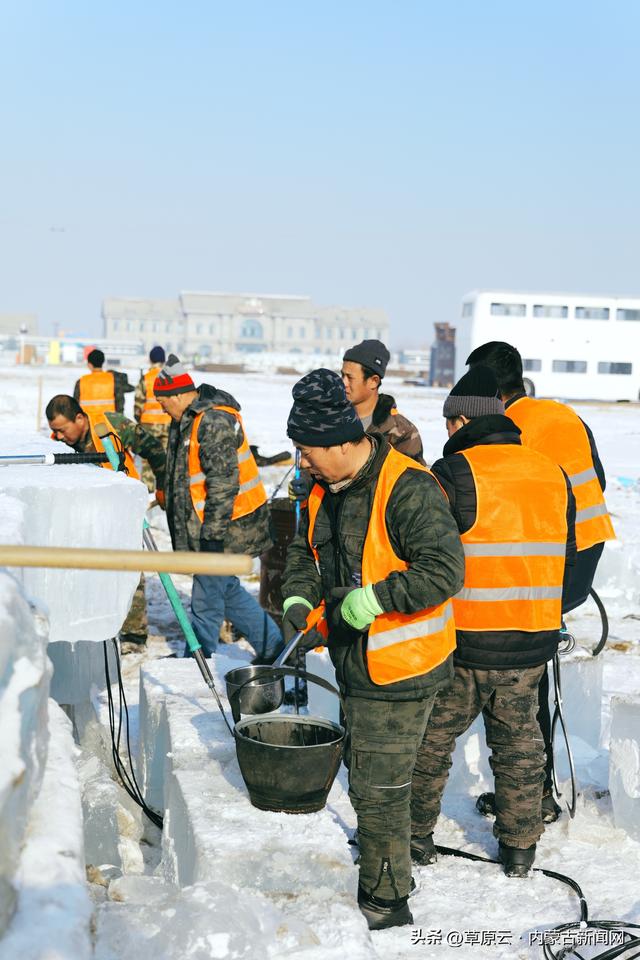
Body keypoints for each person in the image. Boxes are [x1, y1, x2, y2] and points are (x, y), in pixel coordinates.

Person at [281, 369, 465, 931]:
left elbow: (445, 570)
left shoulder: (407, 487)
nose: (302, 462)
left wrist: (372, 602)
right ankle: (391, 855)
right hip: (357, 662)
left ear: (341, 442)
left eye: (308, 451)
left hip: (403, 665)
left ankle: (386, 902)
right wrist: (297, 602)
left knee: (378, 788)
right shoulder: (321, 489)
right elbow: (303, 555)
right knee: (374, 777)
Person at [410, 367, 576, 878]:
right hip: (533, 638)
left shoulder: (455, 471)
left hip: (468, 639)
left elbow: (428, 554)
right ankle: (520, 848)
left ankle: (413, 836)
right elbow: (564, 554)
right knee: (520, 741)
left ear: (462, 420)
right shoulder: (553, 473)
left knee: (432, 739)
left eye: (448, 422)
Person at [466, 341, 615, 822]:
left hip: (557, 555)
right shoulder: (562, 415)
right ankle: (535, 790)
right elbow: (600, 478)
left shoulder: (511, 429)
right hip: (585, 545)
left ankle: (536, 795)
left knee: (524, 660)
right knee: (532, 658)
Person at [153, 354, 282, 661]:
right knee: (227, 592)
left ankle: (197, 657)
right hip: (214, 526)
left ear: (179, 394)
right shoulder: (186, 420)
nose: (161, 409)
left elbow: (223, 482)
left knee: (206, 599)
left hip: (229, 528)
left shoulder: (212, 421)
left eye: (163, 402)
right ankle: (274, 646)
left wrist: (212, 535)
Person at [46, 394, 166, 654]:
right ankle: (98, 627)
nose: (59, 436)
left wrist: (163, 486)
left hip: (124, 510)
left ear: (79, 418)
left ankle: (134, 635)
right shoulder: (60, 445)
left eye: (62, 429)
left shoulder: (111, 425)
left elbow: (154, 449)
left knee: (130, 569)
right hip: (89, 516)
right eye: (54, 431)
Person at [341, 338, 425, 463]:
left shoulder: (402, 433)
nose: (343, 383)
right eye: (342, 375)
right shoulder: (330, 420)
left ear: (373, 381)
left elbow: (415, 480)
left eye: (350, 378)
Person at [134, 345, 171, 492]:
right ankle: (166, 489)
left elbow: (138, 404)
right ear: (164, 360)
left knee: (149, 459)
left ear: (150, 359)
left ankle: (149, 490)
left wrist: (139, 420)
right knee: (167, 458)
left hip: (149, 425)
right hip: (168, 424)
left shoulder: (146, 378)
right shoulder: (170, 377)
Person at [74, 348, 134, 423]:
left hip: (88, 425)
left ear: (89, 364)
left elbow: (75, 407)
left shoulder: (81, 382)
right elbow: (120, 405)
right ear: (103, 362)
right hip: (109, 425)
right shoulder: (113, 380)